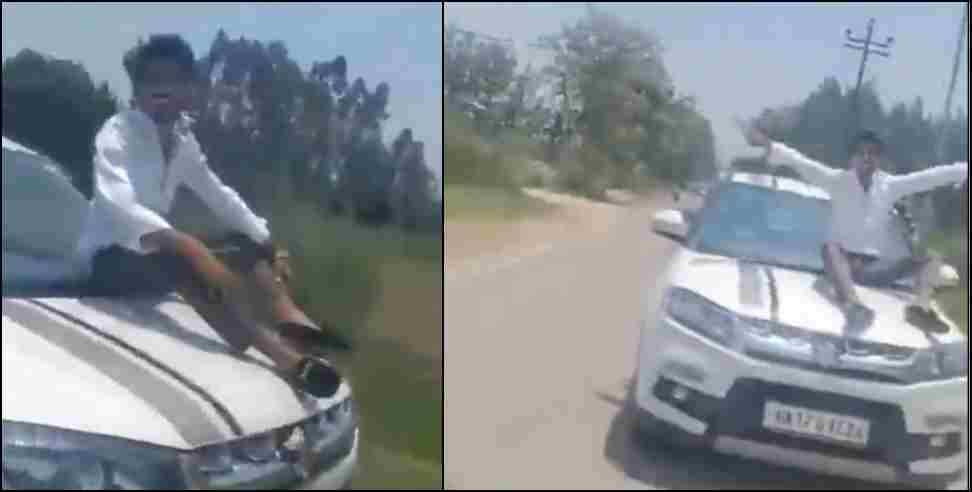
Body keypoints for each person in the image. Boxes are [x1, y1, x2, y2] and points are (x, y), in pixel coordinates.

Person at [76, 34, 339, 397]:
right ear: (137, 89)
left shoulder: (183, 141)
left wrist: (268, 241)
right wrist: (187, 246)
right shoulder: (117, 132)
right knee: (184, 262)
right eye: (152, 80)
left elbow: (219, 195)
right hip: (109, 262)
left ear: (188, 89)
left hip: (156, 258)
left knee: (243, 246)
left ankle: (293, 322)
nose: (162, 90)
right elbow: (118, 204)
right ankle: (287, 359)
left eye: (173, 80)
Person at [738, 120, 968, 332]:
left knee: (931, 261)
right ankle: (853, 306)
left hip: (876, 270)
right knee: (830, 248)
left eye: (873, 153)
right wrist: (768, 144)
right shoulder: (837, 181)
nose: (867, 158)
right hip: (843, 266)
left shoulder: (889, 186)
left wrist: (963, 169)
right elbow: (800, 162)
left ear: (880, 159)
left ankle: (919, 310)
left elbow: (930, 177)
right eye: (862, 153)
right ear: (853, 158)